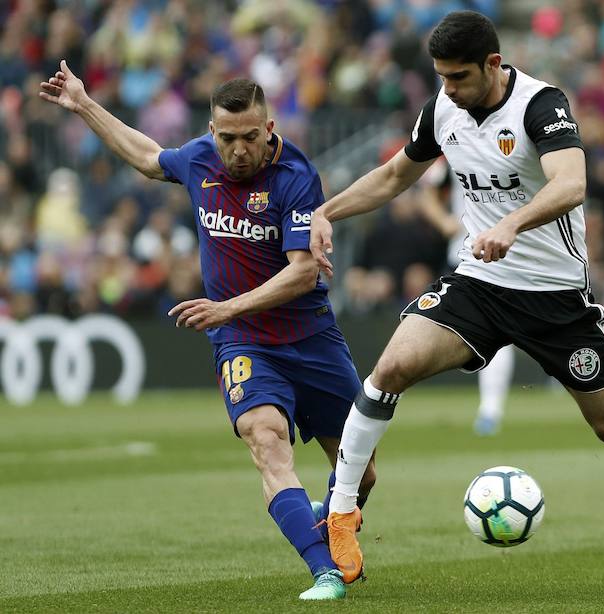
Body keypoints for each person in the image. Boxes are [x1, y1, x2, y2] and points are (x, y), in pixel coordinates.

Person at [311, 11, 604, 590]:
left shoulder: (542, 105)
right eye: (441, 77)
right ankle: (341, 513)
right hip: (479, 286)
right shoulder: (443, 108)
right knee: (391, 368)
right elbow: (393, 177)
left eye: (459, 77)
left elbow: (571, 184)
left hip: (555, 297)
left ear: (493, 64)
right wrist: (324, 212)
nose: (450, 90)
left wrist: (512, 224)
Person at [39, 63, 376, 601]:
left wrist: (225, 308)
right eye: (226, 138)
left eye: (248, 137)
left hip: (309, 335)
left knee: (361, 474)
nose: (237, 149)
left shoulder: (295, 176)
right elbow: (148, 157)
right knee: (266, 442)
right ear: (211, 131)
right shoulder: (198, 158)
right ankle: (325, 572)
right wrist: (82, 104)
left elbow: (302, 270)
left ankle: (330, 515)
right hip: (244, 342)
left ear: (268, 130)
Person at [418, 157, 516, 437]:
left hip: (511, 257)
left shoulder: (518, 139)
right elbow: (426, 193)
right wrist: (444, 221)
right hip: (464, 256)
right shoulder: (454, 147)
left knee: (502, 335)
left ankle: (490, 410)